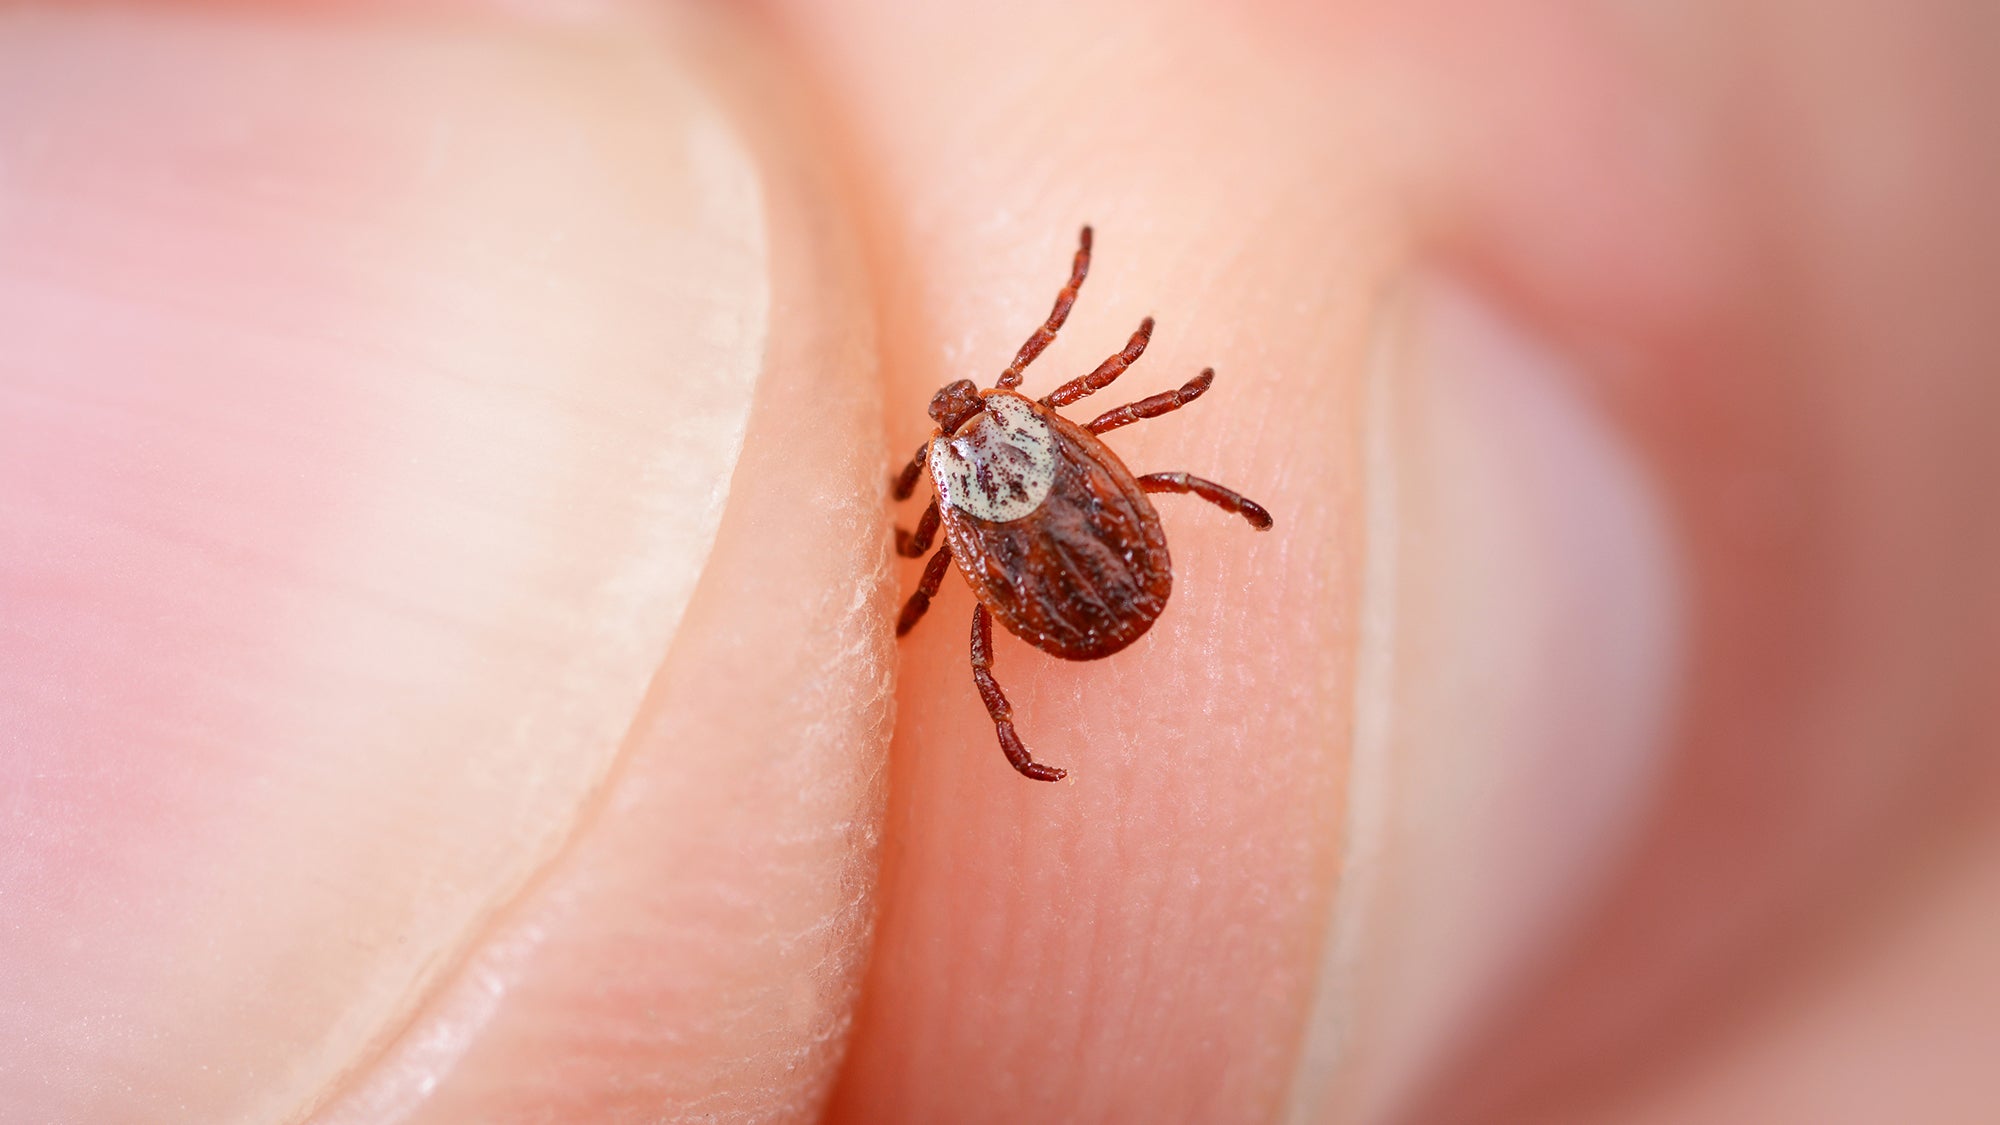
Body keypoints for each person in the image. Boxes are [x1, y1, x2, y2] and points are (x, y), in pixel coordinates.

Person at [2, 1, 1992, 1121]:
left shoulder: (978, 491)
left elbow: (1046, 468)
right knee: (1119, 524)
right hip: (1092, 554)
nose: (972, 418)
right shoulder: (1042, 441)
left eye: (979, 416)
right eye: (974, 428)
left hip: (1067, 568)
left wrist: (982, 616)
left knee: (1028, 605)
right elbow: (1115, 368)